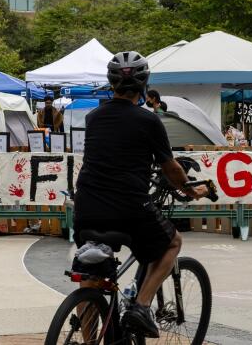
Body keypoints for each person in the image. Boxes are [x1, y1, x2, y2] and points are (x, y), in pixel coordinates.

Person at [74, 51, 210, 338]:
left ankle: (88, 339)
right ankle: (142, 306)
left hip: (86, 205)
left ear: (111, 84)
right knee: (172, 241)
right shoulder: (149, 121)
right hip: (128, 207)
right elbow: (171, 168)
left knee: (90, 278)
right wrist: (190, 189)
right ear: (144, 84)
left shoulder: (93, 118)